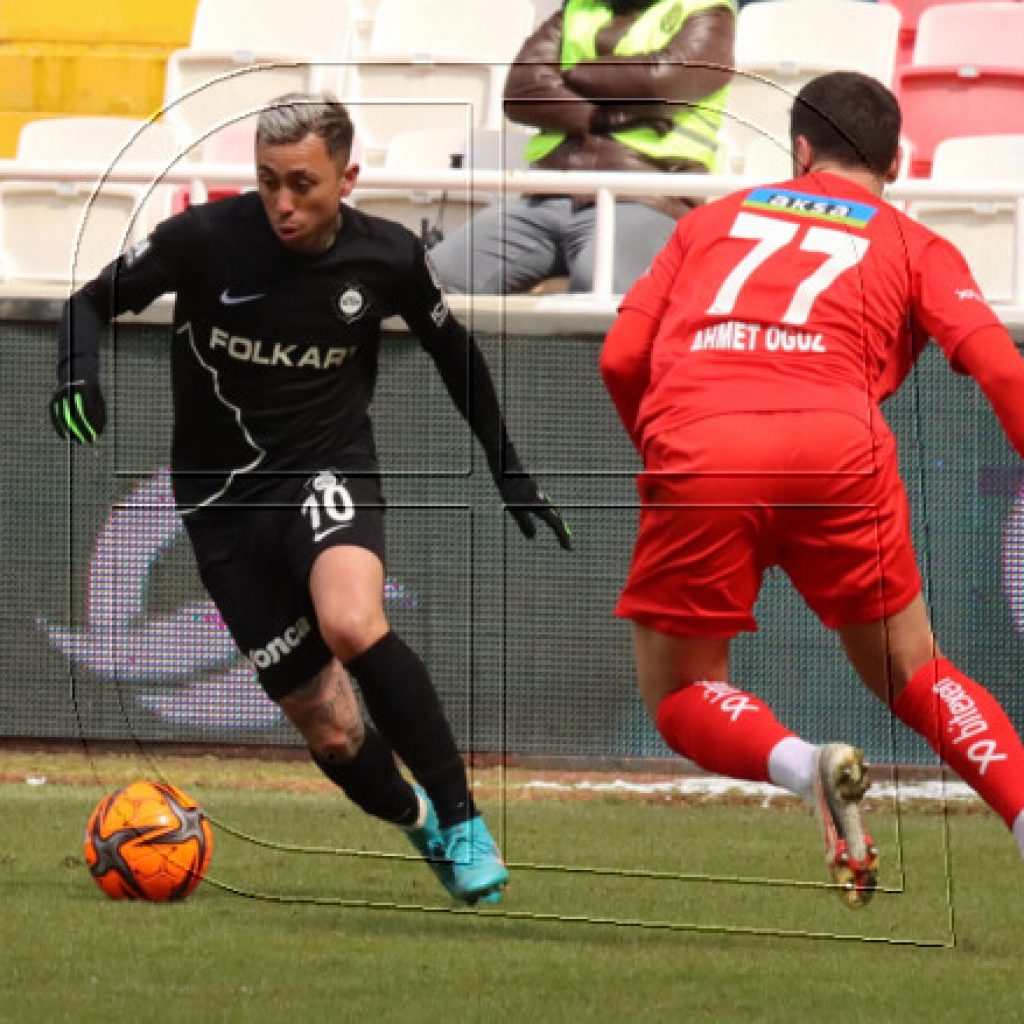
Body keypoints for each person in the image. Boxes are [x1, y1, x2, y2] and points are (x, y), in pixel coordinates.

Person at [50, 92, 573, 906]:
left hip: (327, 468)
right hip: (222, 505)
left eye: (302, 182)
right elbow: (87, 302)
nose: (283, 203)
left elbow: (454, 353)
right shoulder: (205, 239)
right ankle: (420, 819)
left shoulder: (388, 257)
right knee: (327, 726)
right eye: (267, 182)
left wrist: (508, 468)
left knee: (353, 622)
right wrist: (76, 374)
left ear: (348, 176)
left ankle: (468, 820)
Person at [600, 70, 1024, 907]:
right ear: (895, 159)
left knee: (683, 688)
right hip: (839, 448)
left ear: (799, 151)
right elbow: (1001, 367)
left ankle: (804, 767)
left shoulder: (712, 222)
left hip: (704, 441)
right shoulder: (915, 243)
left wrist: (667, 447)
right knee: (916, 673)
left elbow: (620, 358)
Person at [428, 0, 736, 295]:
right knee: (428, 284)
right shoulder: (577, 7)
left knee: (603, 288)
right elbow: (521, 91)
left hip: (646, 198)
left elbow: (657, 84)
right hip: (545, 195)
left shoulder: (708, 10)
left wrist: (569, 73)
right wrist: (609, 114)